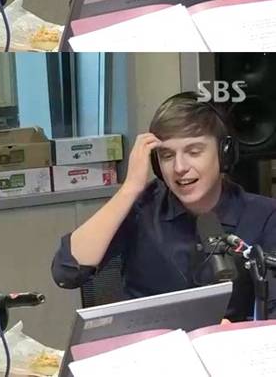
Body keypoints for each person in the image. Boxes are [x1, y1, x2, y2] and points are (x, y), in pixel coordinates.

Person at [51, 92, 276, 321]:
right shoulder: (141, 207)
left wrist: (240, 332)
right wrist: (130, 187)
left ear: (223, 154)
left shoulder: (265, 216)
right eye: (167, 156)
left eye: (194, 152)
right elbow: (66, 272)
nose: (179, 167)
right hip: (149, 340)